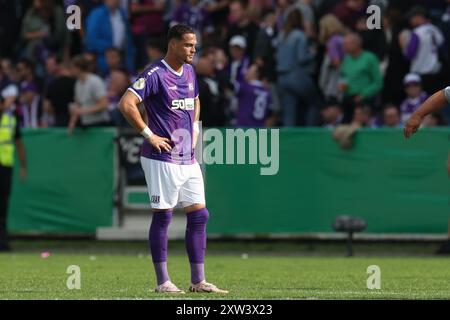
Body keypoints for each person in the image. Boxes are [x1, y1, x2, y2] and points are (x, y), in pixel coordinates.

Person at [118, 24, 228, 294]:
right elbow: (126, 103)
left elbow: (196, 99)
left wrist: (195, 128)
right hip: (161, 156)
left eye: (195, 45)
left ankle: (198, 281)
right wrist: (148, 135)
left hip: (187, 156)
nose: (194, 50)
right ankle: (163, 282)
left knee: (200, 215)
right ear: (174, 44)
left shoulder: (190, 71)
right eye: (189, 44)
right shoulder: (155, 74)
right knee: (164, 216)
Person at [0, 77, 27, 252]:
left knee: (3, 208)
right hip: (4, 168)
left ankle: (3, 242)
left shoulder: (10, 121)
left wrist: (23, 166)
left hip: (5, 168)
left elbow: (18, 144)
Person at [69, 55, 110, 132]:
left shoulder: (95, 81)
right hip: (87, 124)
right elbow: (78, 105)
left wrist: (83, 111)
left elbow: (104, 104)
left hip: (100, 124)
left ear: (78, 68)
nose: (70, 70)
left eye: (72, 67)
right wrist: (72, 122)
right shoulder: (78, 83)